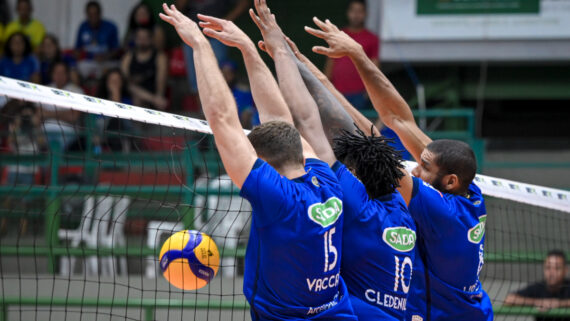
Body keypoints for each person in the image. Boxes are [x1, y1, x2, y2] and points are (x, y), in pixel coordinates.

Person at [162, 2, 357, 319]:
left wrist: (199, 45)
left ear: (263, 162)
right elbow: (280, 120)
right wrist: (247, 48)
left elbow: (223, 119)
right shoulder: (327, 181)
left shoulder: (277, 197)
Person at [305, 16, 493, 321]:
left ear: (450, 180)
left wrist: (322, 85)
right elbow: (399, 119)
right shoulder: (468, 190)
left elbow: (376, 147)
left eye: (424, 167)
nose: (416, 170)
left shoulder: (441, 211)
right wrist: (357, 54)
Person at [257, 20, 417, 319]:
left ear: (357, 178)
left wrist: (281, 55)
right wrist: (299, 63)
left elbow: (309, 124)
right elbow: (370, 142)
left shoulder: (359, 207)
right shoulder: (401, 206)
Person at [176, 0, 249, 93]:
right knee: (197, 83)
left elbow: (244, 3)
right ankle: (202, 108)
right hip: (191, 36)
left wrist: (225, 22)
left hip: (216, 37)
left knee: (219, 79)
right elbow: (178, 7)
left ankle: (223, 107)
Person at [324, 0, 378, 110]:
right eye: (353, 11)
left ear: (365, 14)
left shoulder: (372, 38)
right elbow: (330, 62)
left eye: (359, 11)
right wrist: (326, 86)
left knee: (357, 126)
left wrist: (369, 92)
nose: (356, 15)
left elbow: (374, 68)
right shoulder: (338, 35)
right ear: (348, 13)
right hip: (337, 91)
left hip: (360, 94)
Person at [505, 250, 570, 321]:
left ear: (565, 270)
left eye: (557, 268)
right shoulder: (538, 287)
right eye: (548, 267)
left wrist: (559, 304)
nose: (552, 273)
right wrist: (538, 302)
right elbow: (509, 299)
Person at [121, 27, 168, 110]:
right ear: (135, 39)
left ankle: (155, 99)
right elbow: (124, 77)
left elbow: (161, 79)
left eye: (145, 38)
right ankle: (154, 100)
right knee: (133, 93)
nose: (142, 41)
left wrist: (159, 94)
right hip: (132, 90)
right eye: (139, 38)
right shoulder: (129, 56)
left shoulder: (159, 56)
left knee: (139, 99)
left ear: (151, 39)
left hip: (151, 89)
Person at [75, 1, 120, 79]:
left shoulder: (111, 27)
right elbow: (77, 49)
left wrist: (105, 57)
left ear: (100, 13)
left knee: (115, 67)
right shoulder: (83, 26)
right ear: (86, 14)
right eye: (90, 14)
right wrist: (81, 55)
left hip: (106, 61)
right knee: (79, 67)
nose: (93, 17)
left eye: (95, 14)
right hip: (89, 62)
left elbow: (116, 50)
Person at [220, 60, 259, 129]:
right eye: (223, 72)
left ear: (234, 75)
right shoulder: (215, 92)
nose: (225, 76)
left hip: (240, 127)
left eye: (228, 73)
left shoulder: (244, 92)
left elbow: (248, 111)